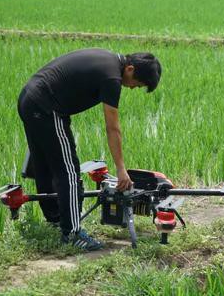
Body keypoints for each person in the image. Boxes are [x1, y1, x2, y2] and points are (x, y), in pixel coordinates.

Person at [17, 49, 162, 251]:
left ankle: (56, 221)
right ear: (130, 69)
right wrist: (121, 169)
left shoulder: (109, 59)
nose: (132, 88)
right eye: (136, 84)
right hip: (46, 107)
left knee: (45, 165)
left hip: (28, 99)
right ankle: (73, 233)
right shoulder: (112, 77)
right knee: (68, 170)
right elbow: (112, 128)